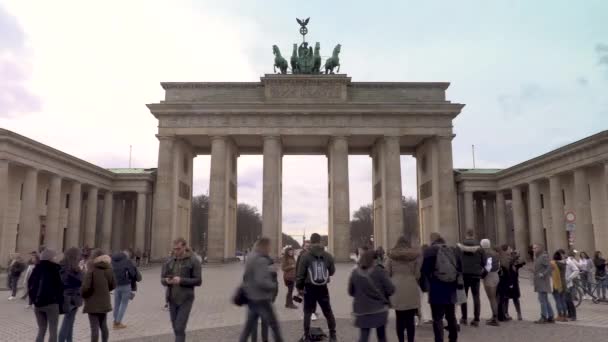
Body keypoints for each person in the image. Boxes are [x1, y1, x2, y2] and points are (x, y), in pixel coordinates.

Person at [238, 237, 284, 342]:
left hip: (251, 297)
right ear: (264, 246)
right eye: (268, 246)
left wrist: (269, 269)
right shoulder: (262, 260)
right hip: (262, 299)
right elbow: (261, 281)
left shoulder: (251, 258)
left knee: (249, 327)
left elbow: (249, 276)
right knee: (274, 325)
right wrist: (272, 285)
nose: (269, 249)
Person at [296, 233, 337, 342]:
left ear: (311, 241)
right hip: (322, 287)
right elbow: (332, 272)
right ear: (320, 241)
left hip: (309, 288)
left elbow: (300, 274)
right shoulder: (327, 255)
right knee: (328, 311)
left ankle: (307, 336)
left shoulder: (305, 256)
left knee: (308, 312)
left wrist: (299, 287)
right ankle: (333, 335)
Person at [421, 232, 462, 342]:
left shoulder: (429, 251)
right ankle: (453, 338)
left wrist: (425, 286)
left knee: (437, 318)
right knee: (451, 316)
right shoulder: (453, 250)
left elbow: (424, 271)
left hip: (436, 288)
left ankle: (439, 339)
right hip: (451, 287)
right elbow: (459, 268)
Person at [161, 238, 202, 342]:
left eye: (178, 249)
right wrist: (166, 281)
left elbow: (198, 281)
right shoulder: (169, 261)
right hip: (172, 299)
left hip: (186, 298)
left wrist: (181, 280)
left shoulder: (194, 261)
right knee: (176, 328)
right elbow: (162, 279)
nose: (176, 251)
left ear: (184, 247)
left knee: (179, 327)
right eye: (174, 249)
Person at [349, 248, 395, 342]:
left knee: (364, 337)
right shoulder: (379, 271)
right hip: (379, 309)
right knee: (382, 336)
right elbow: (391, 289)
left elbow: (351, 292)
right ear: (374, 259)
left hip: (361, 310)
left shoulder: (355, 273)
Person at [386, 236, 420, 342]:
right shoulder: (414, 256)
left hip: (397, 289)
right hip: (411, 288)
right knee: (410, 319)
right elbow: (418, 274)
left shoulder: (391, 256)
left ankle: (401, 340)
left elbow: (387, 273)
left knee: (399, 318)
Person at [28, 249, 63, 342]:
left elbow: (29, 284)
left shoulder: (36, 268)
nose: (55, 258)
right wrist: (59, 301)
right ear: (50, 258)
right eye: (54, 257)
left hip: (38, 304)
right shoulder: (55, 269)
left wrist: (33, 299)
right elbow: (59, 287)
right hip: (52, 304)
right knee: (53, 330)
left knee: (41, 329)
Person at [82, 249, 115, 342]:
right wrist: (105, 290)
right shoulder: (109, 269)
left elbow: (85, 287)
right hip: (104, 302)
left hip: (92, 302)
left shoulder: (91, 269)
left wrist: (83, 295)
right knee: (103, 325)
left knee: (94, 328)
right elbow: (113, 285)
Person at [456, 230, 485, 327]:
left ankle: (464, 318)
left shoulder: (459, 248)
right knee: (476, 296)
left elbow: (457, 261)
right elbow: (484, 262)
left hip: (464, 275)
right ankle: (476, 319)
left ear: (466, 235)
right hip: (476, 274)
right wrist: (479, 269)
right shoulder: (480, 248)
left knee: (464, 297)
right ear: (473, 235)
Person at [111, 249, 142, 329]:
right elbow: (132, 273)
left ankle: (115, 321)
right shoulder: (127, 261)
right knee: (123, 304)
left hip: (116, 285)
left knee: (116, 304)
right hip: (125, 285)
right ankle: (118, 322)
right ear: (126, 255)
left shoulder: (113, 261)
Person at [58, 247, 84, 342]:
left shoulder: (61, 266)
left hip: (65, 296)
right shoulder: (74, 269)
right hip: (72, 298)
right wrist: (82, 271)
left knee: (70, 321)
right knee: (67, 322)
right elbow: (80, 282)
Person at [532, 244, 555, 324]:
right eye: (533, 248)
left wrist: (543, 274)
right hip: (539, 281)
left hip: (543, 282)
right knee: (544, 300)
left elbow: (550, 267)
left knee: (542, 300)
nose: (533, 249)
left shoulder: (543, 256)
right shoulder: (537, 257)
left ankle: (544, 316)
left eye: (535, 248)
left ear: (540, 248)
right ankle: (551, 316)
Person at [480, 239, 500, 326]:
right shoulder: (494, 253)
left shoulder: (486, 254)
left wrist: (481, 275)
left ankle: (495, 318)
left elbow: (487, 267)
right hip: (495, 274)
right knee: (493, 298)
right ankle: (494, 316)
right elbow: (498, 265)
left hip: (489, 276)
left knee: (492, 298)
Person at [505, 249, 525, 320]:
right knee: (506, 298)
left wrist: (518, 256)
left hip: (514, 283)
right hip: (507, 282)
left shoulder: (516, 264)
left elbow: (523, 262)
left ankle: (519, 313)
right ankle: (506, 313)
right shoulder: (506, 262)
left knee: (515, 298)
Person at [550, 251, 568, 322]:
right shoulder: (564, 263)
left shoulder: (554, 263)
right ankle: (565, 316)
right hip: (563, 283)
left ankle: (560, 316)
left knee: (558, 301)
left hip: (557, 283)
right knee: (563, 300)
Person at [496, 245, 512, 321]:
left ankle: (500, 315)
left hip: (500, 281)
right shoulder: (504, 259)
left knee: (500, 299)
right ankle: (502, 315)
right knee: (502, 299)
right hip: (504, 281)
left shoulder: (499, 259)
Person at [564, 250, 579, 321]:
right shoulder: (561, 262)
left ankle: (573, 315)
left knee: (569, 300)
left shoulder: (569, 262)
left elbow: (576, 270)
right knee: (565, 300)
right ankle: (569, 314)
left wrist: (569, 278)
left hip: (568, 283)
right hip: (562, 284)